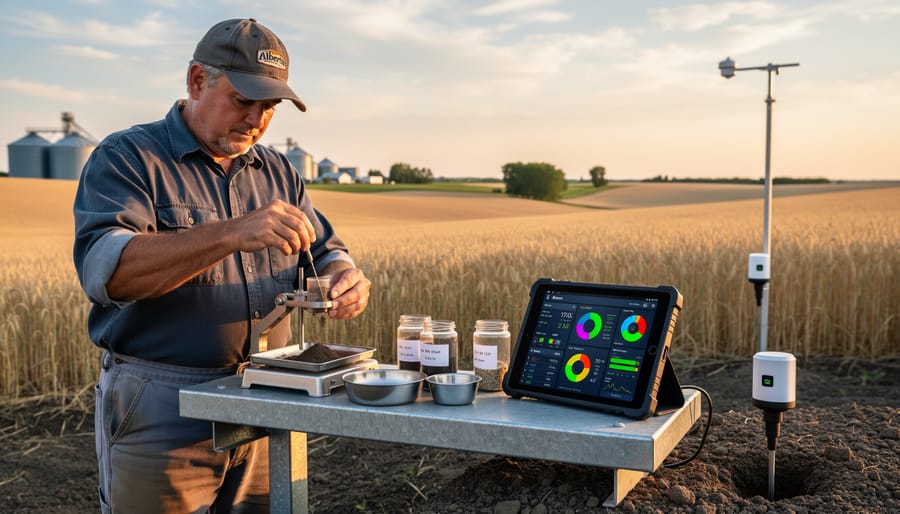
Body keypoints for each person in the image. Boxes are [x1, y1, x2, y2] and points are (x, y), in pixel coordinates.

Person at [73, 18, 371, 513]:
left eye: (269, 108)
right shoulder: (128, 158)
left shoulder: (278, 171)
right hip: (163, 406)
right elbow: (109, 273)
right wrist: (232, 233)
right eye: (241, 101)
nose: (256, 120)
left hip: (268, 393)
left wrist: (344, 274)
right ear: (196, 81)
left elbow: (324, 249)